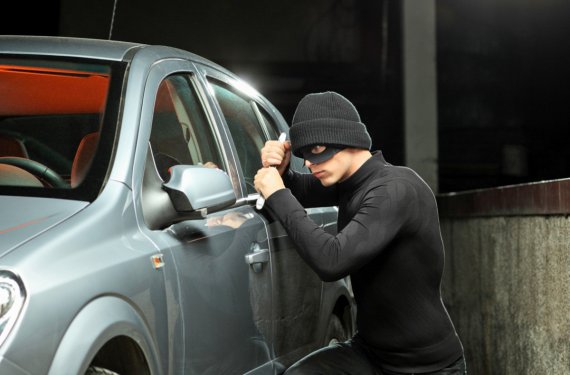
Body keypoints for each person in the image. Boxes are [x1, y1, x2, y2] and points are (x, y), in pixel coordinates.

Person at [254, 91, 466, 374]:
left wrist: (277, 193)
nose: (307, 162)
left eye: (316, 150)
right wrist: (283, 174)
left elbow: (332, 260)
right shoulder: (350, 183)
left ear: (347, 140)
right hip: (370, 355)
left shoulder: (396, 188)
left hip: (427, 367)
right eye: (302, 153)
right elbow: (299, 190)